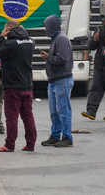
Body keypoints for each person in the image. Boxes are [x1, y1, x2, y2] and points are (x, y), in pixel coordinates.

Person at [0, 20, 37, 152]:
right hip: (27, 85)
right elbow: (25, 38)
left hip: (13, 86)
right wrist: (22, 31)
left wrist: (1, 36)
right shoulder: (30, 42)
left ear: (8, 29)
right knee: (28, 115)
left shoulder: (10, 44)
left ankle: (9, 144)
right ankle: (30, 143)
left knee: (12, 116)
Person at [40, 15, 74, 148]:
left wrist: (48, 58)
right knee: (54, 111)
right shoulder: (56, 39)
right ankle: (55, 135)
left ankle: (67, 137)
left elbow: (62, 59)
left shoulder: (61, 39)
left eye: (46, 27)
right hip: (55, 80)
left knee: (63, 110)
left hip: (62, 80)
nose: (45, 30)